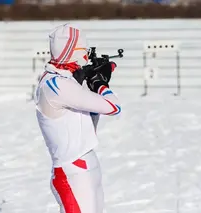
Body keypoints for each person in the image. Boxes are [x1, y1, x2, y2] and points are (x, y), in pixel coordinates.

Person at [34, 23, 121, 213]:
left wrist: (91, 81)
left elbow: (89, 114)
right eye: (84, 50)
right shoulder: (56, 85)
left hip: (84, 167)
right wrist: (100, 83)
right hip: (72, 171)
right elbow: (113, 106)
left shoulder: (62, 80)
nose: (86, 56)